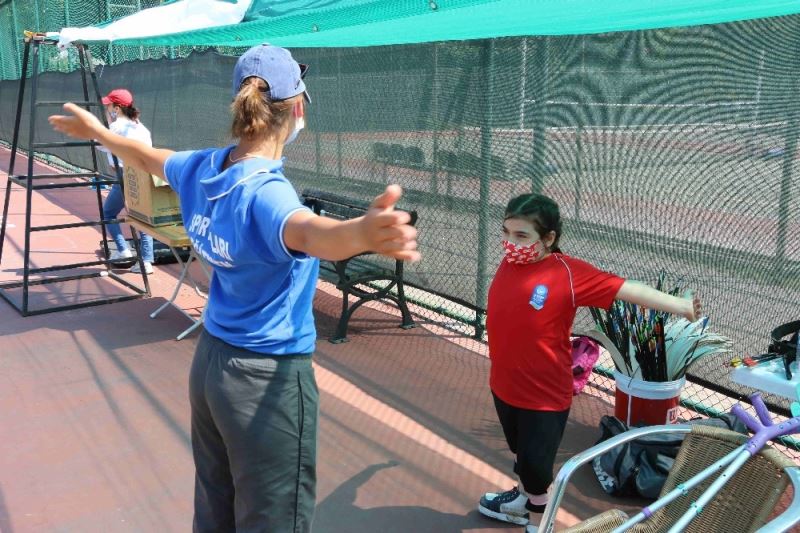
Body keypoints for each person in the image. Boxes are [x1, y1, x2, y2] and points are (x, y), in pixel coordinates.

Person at [49, 44, 419, 532]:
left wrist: (99, 133)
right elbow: (311, 234)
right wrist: (361, 234)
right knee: (273, 520)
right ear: (297, 109)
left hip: (212, 367)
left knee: (216, 507)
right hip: (266, 381)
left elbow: (146, 157)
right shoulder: (266, 192)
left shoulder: (204, 168)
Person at [478, 193, 702, 532]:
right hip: (504, 385)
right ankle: (520, 503)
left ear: (548, 238)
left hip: (543, 395)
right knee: (522, 455)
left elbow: (626, 289)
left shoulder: (567, 273)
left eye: (521, 235)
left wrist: (681, 306)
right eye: (506, 232)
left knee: (537, 469)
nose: (511, 243)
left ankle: (539, 524)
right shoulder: (512, 262)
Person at [97, 88, 156, 274]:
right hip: (143, 174)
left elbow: (101, 144)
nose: (107, 109)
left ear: (117, 108)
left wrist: (104, 126)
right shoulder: (140, 127)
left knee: (108, 213)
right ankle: (146, 261)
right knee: (141, 216)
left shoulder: (117, 126)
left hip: (126, 174)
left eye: (109, 106)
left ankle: (124, 250)